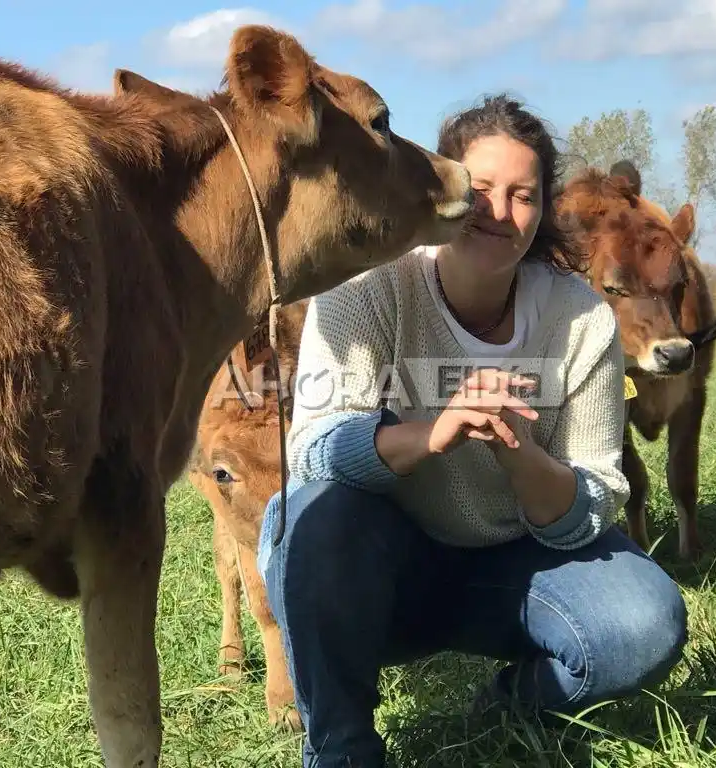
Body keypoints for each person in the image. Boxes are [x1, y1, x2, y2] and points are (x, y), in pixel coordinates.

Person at [255, 93, 688, 767]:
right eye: (479, 188)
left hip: (520, 568)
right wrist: (429, 435)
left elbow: (599, 495)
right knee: (306, 515)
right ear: (443, 188)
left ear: (544, 212)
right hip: (384, 566)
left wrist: (517, 454)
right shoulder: (369, 286)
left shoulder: (580, 319)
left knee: (642, 625)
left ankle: (515, 701)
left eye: (523, 195)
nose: (498, 212)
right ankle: (342, 748)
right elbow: (312, 451)